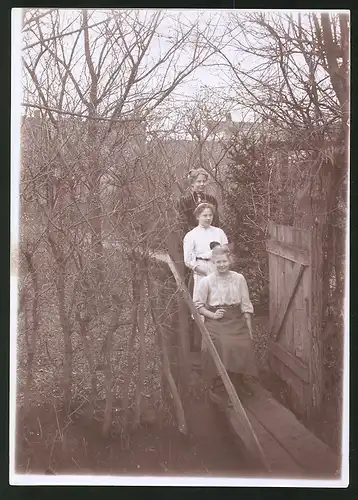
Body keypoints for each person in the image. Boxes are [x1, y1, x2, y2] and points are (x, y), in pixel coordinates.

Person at [193, 245, 258, 399]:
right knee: (221, 345)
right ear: (213, 263)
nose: (222, 265)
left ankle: (238, 381)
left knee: (243, 344)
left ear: (230, 261)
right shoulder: (207, 281)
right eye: (218, 262)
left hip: (235, 319)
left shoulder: (239, 278)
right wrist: (212, 315)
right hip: (216, 321)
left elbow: (246, 305)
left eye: (224, 261)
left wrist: (248, 329)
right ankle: (220, 383)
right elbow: (198, 306)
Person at [183, 203, 228, 300]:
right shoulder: (191, 235)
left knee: (220, 299)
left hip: (219, 267)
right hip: (201, 269)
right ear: (198, 216)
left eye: (210, 215)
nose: (208, 218)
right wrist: (204, 271)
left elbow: (226, 252)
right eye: (205, 215)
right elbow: (188, 260)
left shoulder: (219, 232)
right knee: (202, 300)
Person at [177, 168, 220, 234]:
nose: (202, 184)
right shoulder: (185, 201)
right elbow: (184, 224)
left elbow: (216, 221)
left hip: (210, 235)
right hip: (192, 236)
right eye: (199, 181)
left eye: (204, 181)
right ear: (192, 183)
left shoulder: (212, 200)